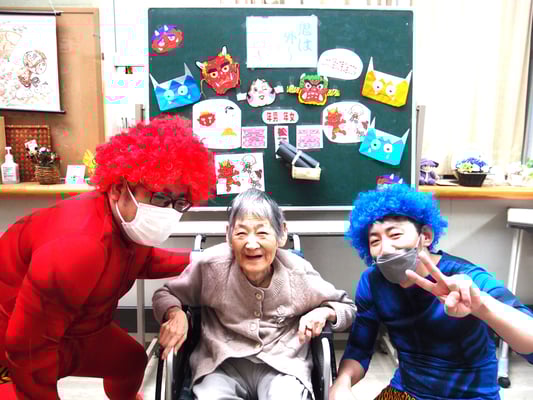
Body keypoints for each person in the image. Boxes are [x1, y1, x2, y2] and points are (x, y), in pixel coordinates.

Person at [0, 115, 215, 400]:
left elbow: (141, 261)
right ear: (118, 188)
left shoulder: (127, 225)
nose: (168, 211)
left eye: (180, 202)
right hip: (11, 342)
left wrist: (204, 258)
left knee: (130, 361)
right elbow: (27, 349)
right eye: (160, 198)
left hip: (79, 329)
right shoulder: (78, 245)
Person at [330, 184, 533, 400]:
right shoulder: (372, 282)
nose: (385, 248)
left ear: (425, 236)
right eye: (375, 241)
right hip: (406, 392)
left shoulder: (465, 278)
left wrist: (481, 305)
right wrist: (342, 383)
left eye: (395, 235)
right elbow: (359, 348)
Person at [153, 188, 356, 400]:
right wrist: (175, 313)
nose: (251, 244)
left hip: (283, 366)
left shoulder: (297, 272)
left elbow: (347, 307)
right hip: (220, 365)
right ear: (228, 235)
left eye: (262, 233)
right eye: (241, 233)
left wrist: (324, 312)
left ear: (281, 234)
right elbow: (165, 294)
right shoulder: (211, 266)